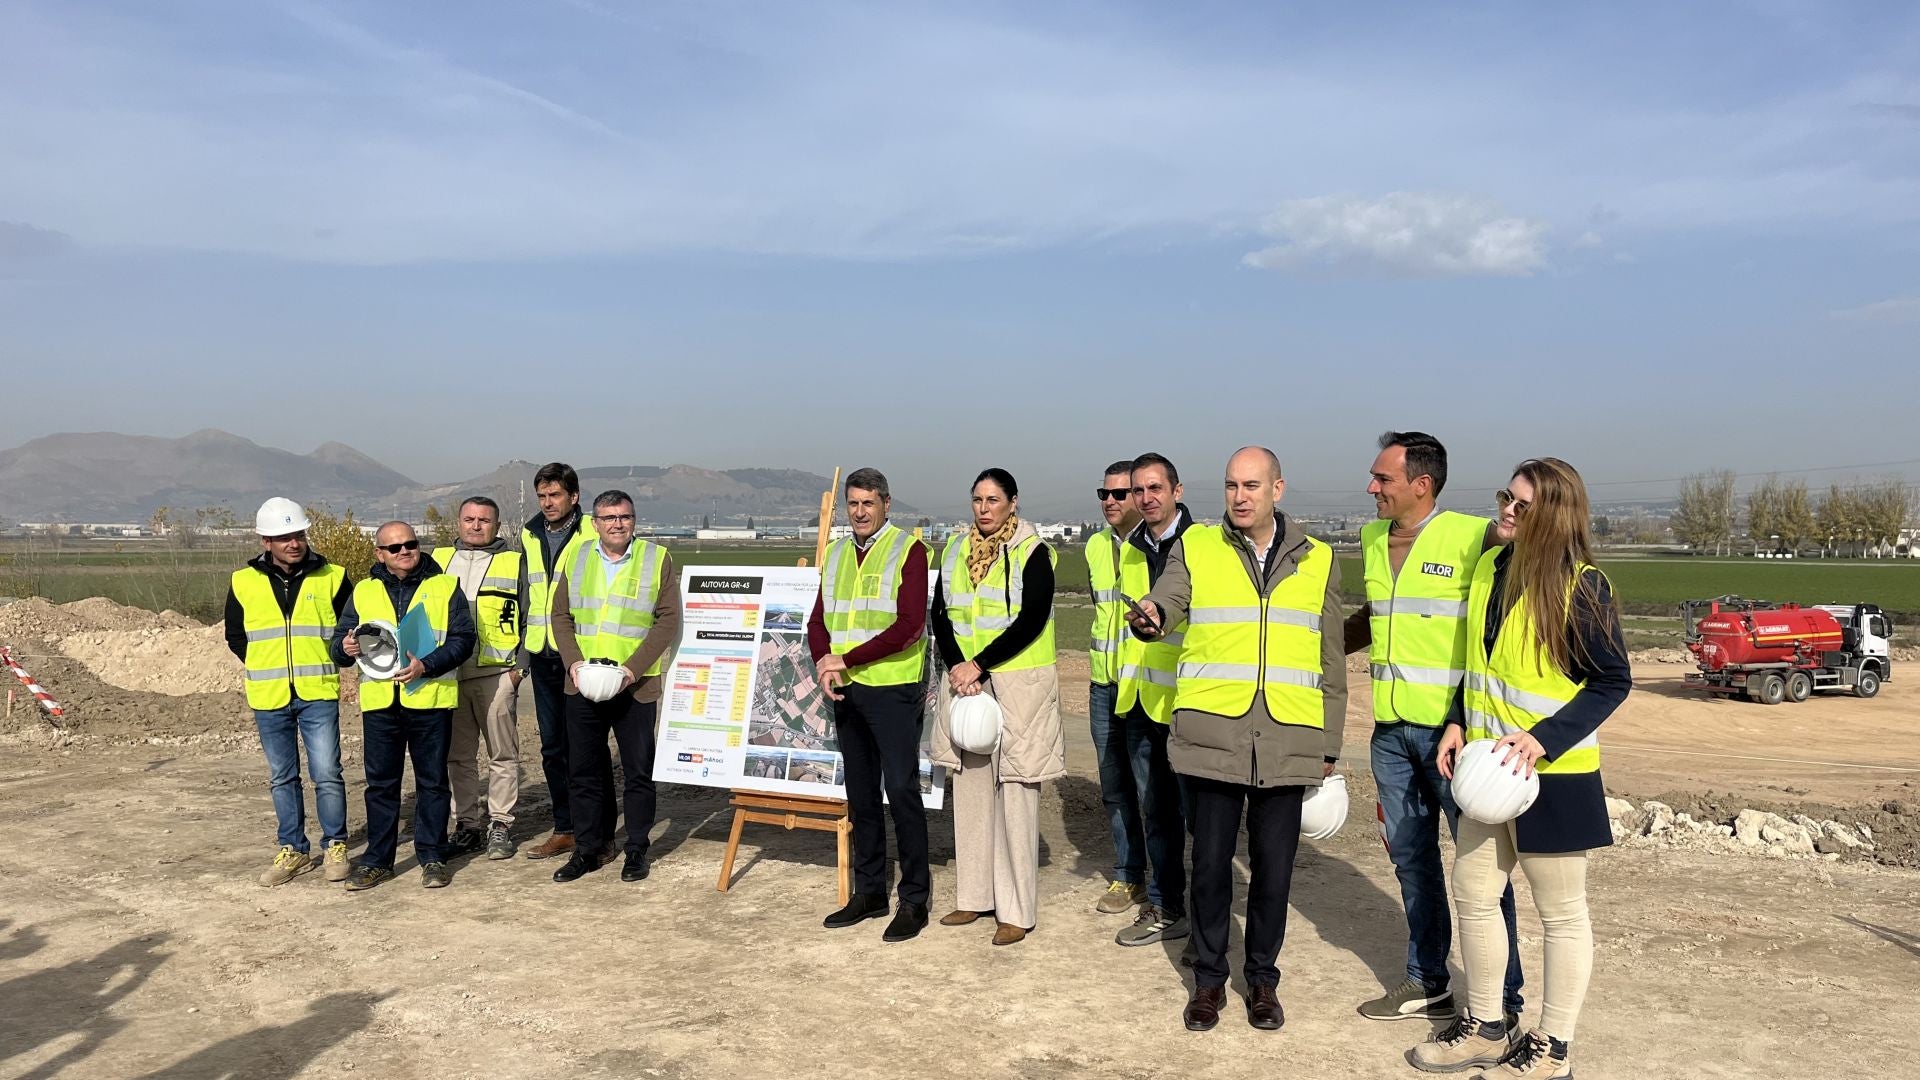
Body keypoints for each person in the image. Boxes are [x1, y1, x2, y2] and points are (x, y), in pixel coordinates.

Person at [1410, 458, 1630, 1079]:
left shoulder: (1583, 586)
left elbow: (1612, 682)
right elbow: (1475, 666)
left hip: (1552, 779)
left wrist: (1542, 740)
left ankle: (1552, 1045)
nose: (1507, 509)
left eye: (1523, 504)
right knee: (1475, 895)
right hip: (1486, 775)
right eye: (1507, 496)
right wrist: (1456, 719)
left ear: (1553, 515)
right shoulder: (1489, 567)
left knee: (1561, 913)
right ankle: (1486, 1026)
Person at [1131, 447, 1346, 1033]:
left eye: (1252, 484)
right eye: (1231, 485)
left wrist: (1328, 744)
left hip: (1287, 738)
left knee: (1274, 873)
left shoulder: (1320, 559)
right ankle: (1207, 982)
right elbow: (1169, 599)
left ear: (1279, 489)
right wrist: (1150, 613)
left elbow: (1330, 659)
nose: (1239, 496)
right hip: (1213, 736)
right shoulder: (1196, 546)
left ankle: (1262, 982)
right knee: (1210, 869)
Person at [1345, 432, 1526, 1027]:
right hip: (1390, 735)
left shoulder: (1471, 535)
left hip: (1456, 739)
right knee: (1411, 860)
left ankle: (1504, 996)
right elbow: (1375, 618)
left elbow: (1528, 557)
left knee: (1481, 870)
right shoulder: (1372, 538)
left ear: (1421, 485)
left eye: (1384, 479)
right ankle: (1428, 980)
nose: (1372, 488)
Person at [930, 469, 1066, 946]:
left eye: (993, 500)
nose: (984, 509)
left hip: (1018, 685)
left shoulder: (1034, 552)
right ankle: (973, 895)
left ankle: (1015, 909)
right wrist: (957, 666)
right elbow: (941, 614)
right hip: (966, 684)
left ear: (1013, 502)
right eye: (977, 500)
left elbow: (1031, 618)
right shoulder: (954, 550)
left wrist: (980, 664)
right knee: (969, 789)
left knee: (1016, 793)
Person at [805, 467, 933, 942]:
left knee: (901, 792)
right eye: (853, 504)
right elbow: (819, 618)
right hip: (845, 688)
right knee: (860, 795)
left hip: (892, 689)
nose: (859, 512)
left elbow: (908, 626)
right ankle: (870, 891)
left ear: (886, 504)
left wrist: (847, 657)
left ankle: (915, 899)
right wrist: (824, 661)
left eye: (868, 503)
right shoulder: (837, 552)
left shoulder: (909, 550)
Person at [332, 521, 476, 890]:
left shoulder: (444, 586)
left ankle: (432, 856)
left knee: (432, 783)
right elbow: (339, 642)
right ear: (379, 554)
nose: (404, 551)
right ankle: (378, 861)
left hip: (430, 700)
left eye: (410, 544)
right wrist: (344, 649)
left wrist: (426, 666)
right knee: (381, 785)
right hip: (381, 703)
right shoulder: (363, 591)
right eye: (393, 547)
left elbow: (463, 639)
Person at [547, 490, 681, 884]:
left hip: (634, 686)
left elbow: (667, 621)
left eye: (625, 516)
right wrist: (572, 663)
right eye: (609, 517)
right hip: (583, 685)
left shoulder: (657, 559)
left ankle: (636, 848)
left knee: (639, 771)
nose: (617, 523)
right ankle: (590, 848)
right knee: (584, 771)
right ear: (595, 522)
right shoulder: (578, 555)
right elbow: (560, 615)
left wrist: (632, 670)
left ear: (634, 520)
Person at [223, 497, 352, 887]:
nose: (293, 543)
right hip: (269, 695)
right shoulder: (242, 581)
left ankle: (335, 845)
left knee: (327, 773)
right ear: (266, 541)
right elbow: (236, 636)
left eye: (298, 535)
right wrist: (266, 665)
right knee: (283, 776)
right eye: (283, 537)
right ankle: (294, 849)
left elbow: (349, 631)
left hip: (317, 690)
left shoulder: (333, 576)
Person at [1111, 451, 1196, 948]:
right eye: (1137, 491)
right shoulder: (1130, 547)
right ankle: (1167, 907)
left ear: (1177, 491)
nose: (1145, 499)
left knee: (1202, 822)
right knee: (1157, 812)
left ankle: (1209, 923)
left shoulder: (1204, 546)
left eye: (1154, 488)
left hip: (1190, 703)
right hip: (1142, 699)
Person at [435, 496, 526, 862]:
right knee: (458, 757)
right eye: (469, 519)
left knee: (503, 755)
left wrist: (519, 671)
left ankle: (500, 824)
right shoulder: (438, 561)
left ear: (497, 525)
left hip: (497, 673)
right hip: (449, 674)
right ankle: (467, 826)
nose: (476, 526)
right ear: (458, 522)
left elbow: (531, 617)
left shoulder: (514, 562)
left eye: (484, 520)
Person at [519, 463, 595, 861]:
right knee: (552, 749)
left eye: (555, 496)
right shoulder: (529, 535)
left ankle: (594, 832)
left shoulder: (591, 533)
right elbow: (525, 594)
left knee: (586, 748)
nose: (548, 503)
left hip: (578, 657)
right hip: (542, 655)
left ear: (574, 497)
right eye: (543, 497)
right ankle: (565, 829)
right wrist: (522, 656)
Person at [1085, 460, 1147, 915]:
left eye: (1119, 494)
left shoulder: (1161, 548)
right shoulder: (1092, 548)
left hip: (1144, 686)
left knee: (1153, 790)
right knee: (1114, 786)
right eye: (1104, 494)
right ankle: (1128, 875)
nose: (1110, 501)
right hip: (1102, 684)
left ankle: (1168, 882)